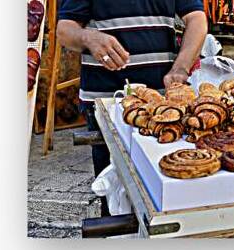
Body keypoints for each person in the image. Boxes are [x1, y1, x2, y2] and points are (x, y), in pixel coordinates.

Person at [57, 0, 208, 177]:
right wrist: (88, 37)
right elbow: (64, 30)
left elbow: (197, 19)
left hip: (162, 103)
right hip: (108, 103)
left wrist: (181, 67)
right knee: (113, 183)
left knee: (165, 179)